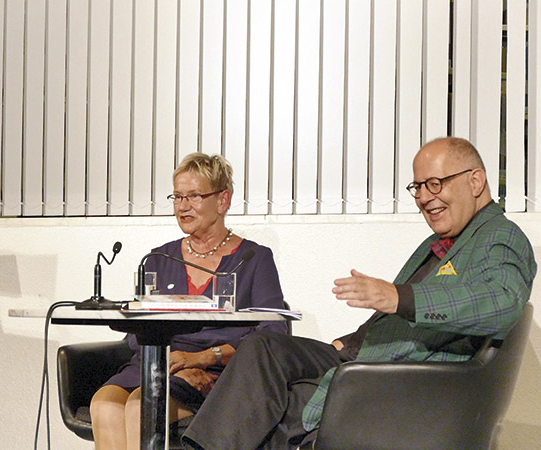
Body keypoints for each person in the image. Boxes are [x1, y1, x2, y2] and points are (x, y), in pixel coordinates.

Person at [180, 137, 538, 450]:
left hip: (399, 381)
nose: (424, 198)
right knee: (264, 348)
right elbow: (397, 321)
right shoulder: (443, 241)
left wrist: (398, 297)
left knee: (264, 406)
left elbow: (502, 304)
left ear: (476, 181)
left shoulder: (500, 237)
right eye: (418, 187)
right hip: (361, 356)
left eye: (435, 184)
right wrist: (350, 342)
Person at [90, 153, 288, 450]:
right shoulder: (158, 258)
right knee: (104, 404)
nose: (183, 206)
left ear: (222, 200)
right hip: (160, 365)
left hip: (217, 374)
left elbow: (274, 334)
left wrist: (202, 358)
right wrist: (170, 362)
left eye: (194, 196)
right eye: (177, 197)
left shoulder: (254, 259)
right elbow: (137, 332)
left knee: (140, 407)